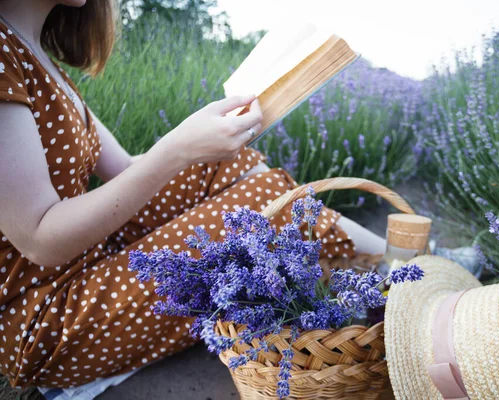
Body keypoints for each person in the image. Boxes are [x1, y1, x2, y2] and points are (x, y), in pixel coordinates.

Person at [0, 1, 385, 389]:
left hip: (87, 257)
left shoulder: (35, 53)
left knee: (229, 164)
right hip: (46, 319)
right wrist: (177, 149)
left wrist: (201, 139)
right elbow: (38, 240)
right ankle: (394, 271)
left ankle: (370, 270)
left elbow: (126, 170)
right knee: (260, 210)